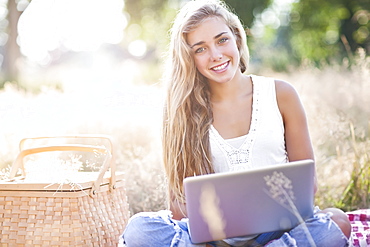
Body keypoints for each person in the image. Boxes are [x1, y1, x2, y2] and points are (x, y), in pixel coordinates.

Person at [121, 0, 351, 246]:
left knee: (337, 222)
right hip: (215, 240)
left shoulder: (281, 94)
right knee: (140, 229)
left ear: (237, 39)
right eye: (200, 49)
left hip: (278, 231)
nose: (216, 55)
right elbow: (177, 206)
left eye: (222, 40)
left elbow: (308, 184)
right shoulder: (181, 112)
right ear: (190, 59)